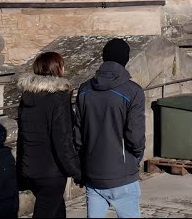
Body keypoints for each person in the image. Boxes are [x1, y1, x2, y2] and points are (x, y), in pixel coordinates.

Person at [75, 38, 146, 219]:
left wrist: (84, 163)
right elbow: (135, 135)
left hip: (93, 172)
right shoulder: (133, 91)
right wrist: (136, 158)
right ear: (126, 59)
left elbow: (78, 135)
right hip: (122, 172)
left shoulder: (84, 89)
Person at [17, 52, 82, 219]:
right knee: (46, 210)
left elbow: (22, 137)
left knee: (57, 210)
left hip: (31, 169)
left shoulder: (27, 96)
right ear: (57, 68)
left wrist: (21, 171)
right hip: (51, 172)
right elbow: (62, 141)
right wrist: (77, 171)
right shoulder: (58, 98)